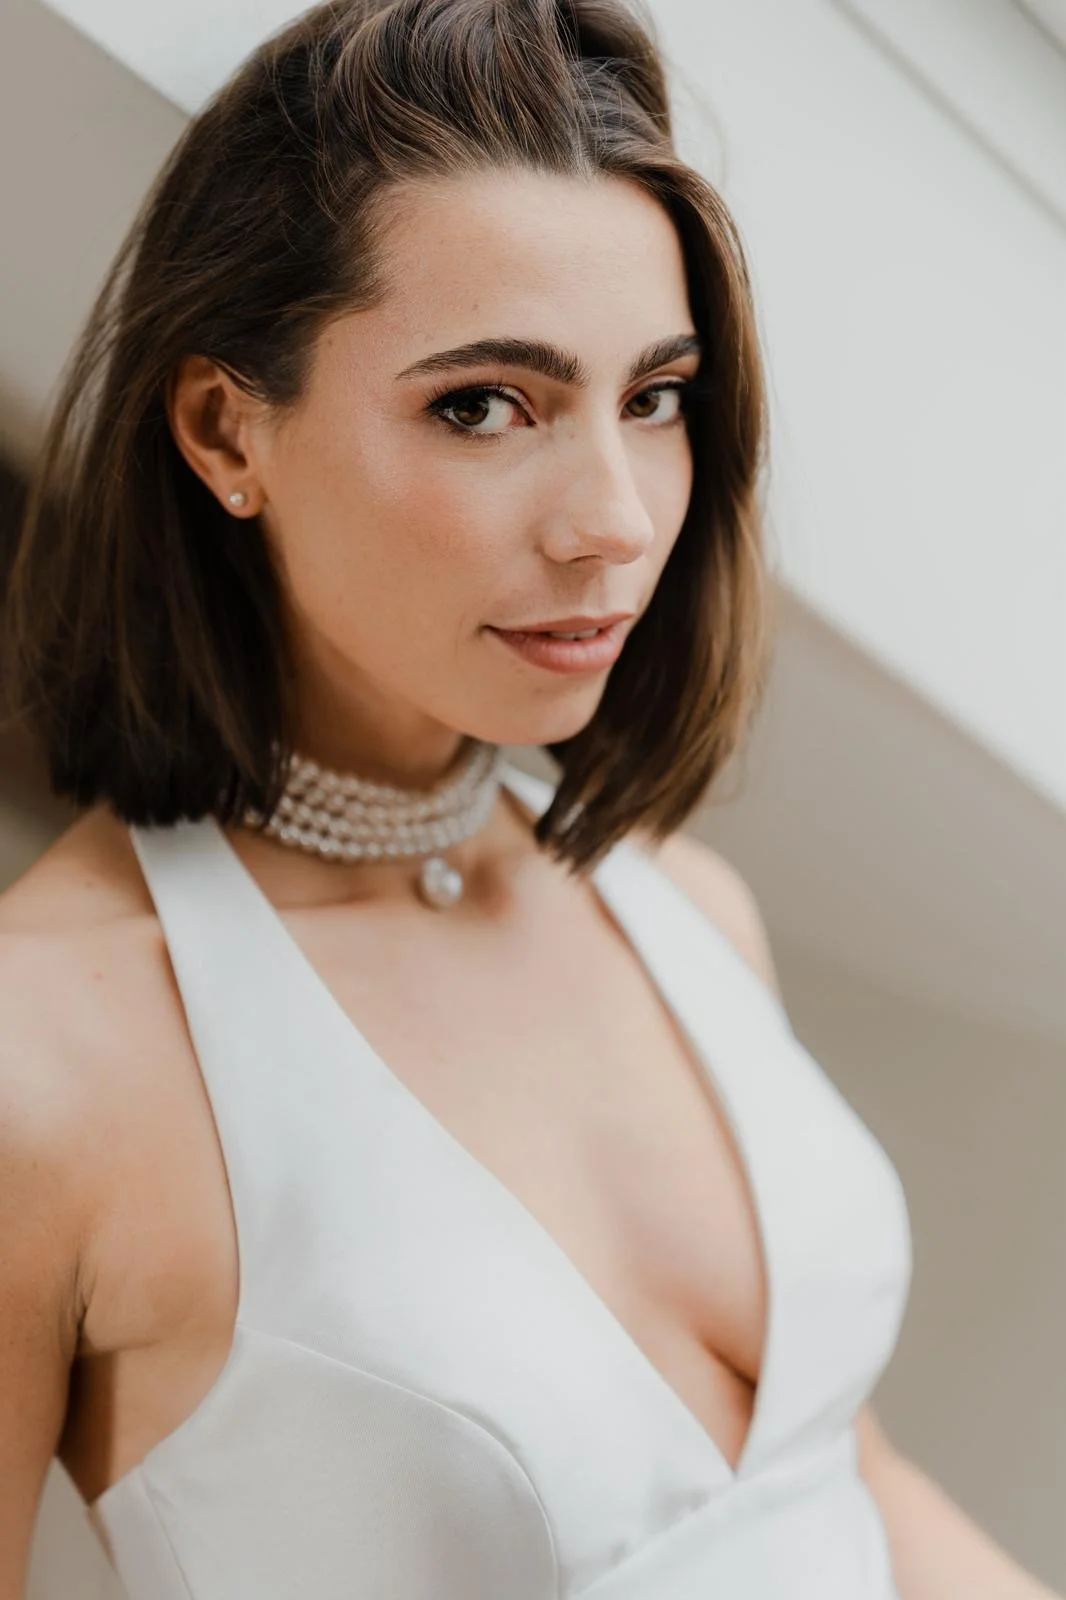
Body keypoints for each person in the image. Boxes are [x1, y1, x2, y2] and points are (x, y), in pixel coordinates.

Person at [0, 1, 1058, 1596]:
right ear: (227, 427)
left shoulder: (679, 900)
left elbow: (850, 1482)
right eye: (483, 404)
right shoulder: (52, 1070)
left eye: (652, 397)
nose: (614, 524)